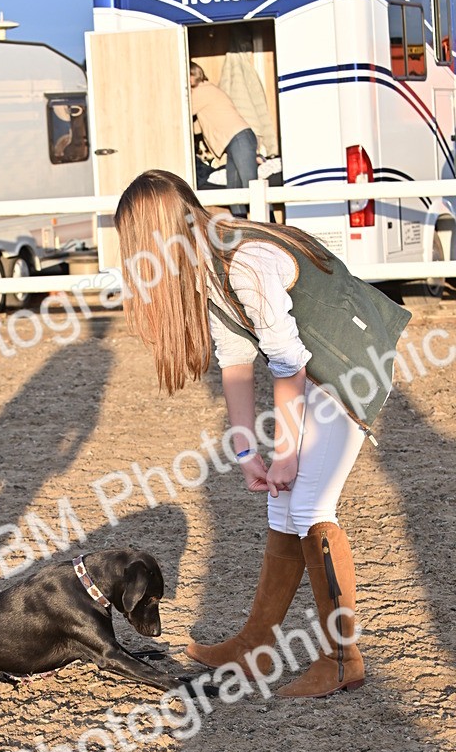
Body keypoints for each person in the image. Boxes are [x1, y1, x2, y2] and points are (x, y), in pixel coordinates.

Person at [114, 168, 410, 699]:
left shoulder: (243, 262)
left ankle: (343, 658)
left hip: (348, 366)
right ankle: (256, 645)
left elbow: (288, 362)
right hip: (315, 368)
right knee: (282, 507)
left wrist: (288, 452)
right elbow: (236, 363)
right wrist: (249, 450)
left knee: (310, 507)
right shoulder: (207, 267)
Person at [190, 61, 259, 217]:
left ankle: (271, 228)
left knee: (253, 188)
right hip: (237, 140)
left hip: (239, 138)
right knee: (233, 192)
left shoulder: (202, 91)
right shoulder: (207, 92)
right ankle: (242, 230)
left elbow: (182, 112)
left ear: (195, 75)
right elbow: (198, 127)